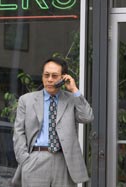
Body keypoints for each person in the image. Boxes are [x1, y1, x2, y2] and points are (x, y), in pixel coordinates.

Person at [12, 57, 94, 187]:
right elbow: (19, 132)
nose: (50, 79)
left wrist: (74, 90)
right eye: (46, 75)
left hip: (64, 161)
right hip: (35, 159)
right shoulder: (26, 100)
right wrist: (25, 159)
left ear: (63, 78)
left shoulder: (71, 100)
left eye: (55, 76)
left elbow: (87, 117)